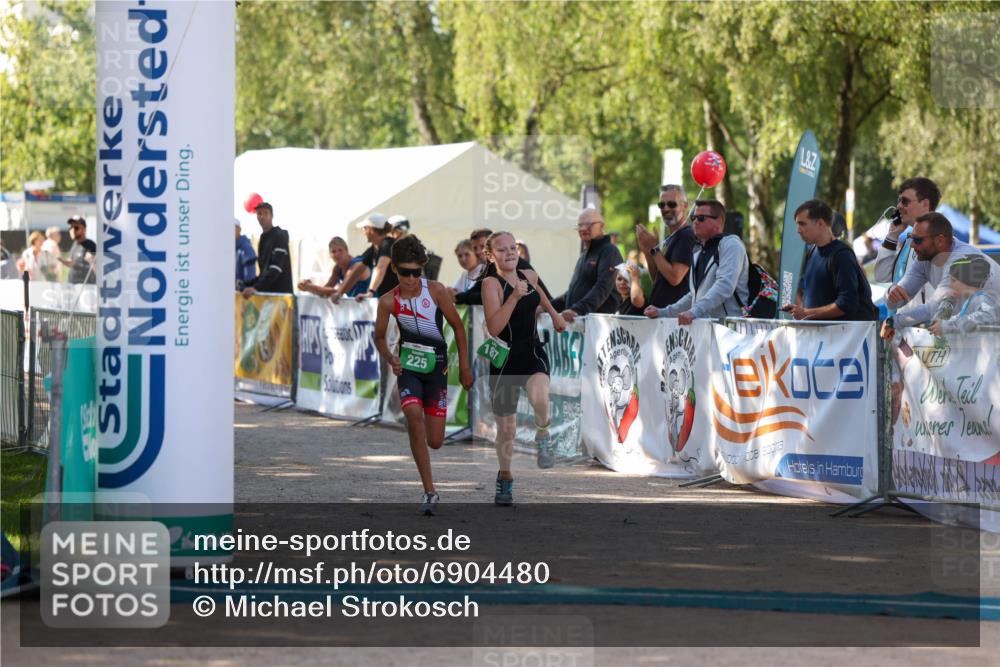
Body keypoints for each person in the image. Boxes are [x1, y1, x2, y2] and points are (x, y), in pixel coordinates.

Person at [373, 235, 473, 515]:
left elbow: (458, 328)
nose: (411, 279)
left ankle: (428, 464)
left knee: (436, 441)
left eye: (417, 272)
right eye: (405, 272)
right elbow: (378, 337)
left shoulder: (436, 291)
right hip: (408, 368)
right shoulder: (388, 301)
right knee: (413, 415)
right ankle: (430, 491)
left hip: (437, 368)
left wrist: (465, 368)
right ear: (394, 269)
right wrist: (391, 357)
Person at [481, 231, 567, 503]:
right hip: (504, 358)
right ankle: (505, 477)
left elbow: (539, 293)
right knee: (506, 430)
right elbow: (495, 327)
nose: (509, 253)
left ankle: (543, 434)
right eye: (502, 249)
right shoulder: (490, 284)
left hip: (531, 350)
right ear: (490, 256)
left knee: (540, 396)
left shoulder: (528, 275)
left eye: (512, 248)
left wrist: (554, 314)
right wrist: (514, 298)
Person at [880, 212, 995, 339]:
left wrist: (893, 322)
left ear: (940, 240)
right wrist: (891, 294)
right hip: (979, 338)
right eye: (911, 238)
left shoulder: (962, 259)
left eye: (917, 240)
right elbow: (895, 302)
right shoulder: (924, 258)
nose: (912, 245)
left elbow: (934, 309)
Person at [644, 199, 748, 324]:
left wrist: (694, 312)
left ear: (719, 221)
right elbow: (694, 295)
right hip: (705, 329)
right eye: (693, 218)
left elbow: (725, 286)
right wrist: (663, 312)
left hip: (729, 330)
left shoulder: (731, 244)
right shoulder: (698, 250)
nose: (695, 222)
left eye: (701, 218)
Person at [785, 200, 877, 321]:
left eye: (802, 224)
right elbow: (810, 295)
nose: (798, 230)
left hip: (842, 332)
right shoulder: (812, 251)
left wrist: (806, 313)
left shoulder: (842, 255)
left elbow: (847, 303)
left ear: (820, 223)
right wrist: (800, 309)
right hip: (817, 332)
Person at [551, 208, 624, 322]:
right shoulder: (584, 254)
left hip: (599, 326)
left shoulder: (610, 251)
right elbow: (572, 293)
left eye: (589, 224)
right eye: (580, 225)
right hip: (579, 325)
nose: (583, 229)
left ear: (602, 226)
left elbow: (603, 287)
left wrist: (577, 310)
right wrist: (548, 308)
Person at [636, 184, 696, 308]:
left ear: (685, 206)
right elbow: (657, 278)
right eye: (661, 205)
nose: (666, 208)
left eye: (672, 204)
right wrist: (648, 251)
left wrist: (653, 248)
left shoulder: (686, 235)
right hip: (661, 314)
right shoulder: (672, 237)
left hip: (675, 316)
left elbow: (674, 277)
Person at [874, 177, 941, 285]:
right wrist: (892, 236)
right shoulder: (910, 241)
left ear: (925, 205)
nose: (899, 206)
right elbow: (881, 275)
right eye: (899, 201)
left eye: (905, 201)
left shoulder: (938, 244)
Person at [927, 255, 1000, 336]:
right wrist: (947, 304)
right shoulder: (970, 301)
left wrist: (947, 326)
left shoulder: (982, 298)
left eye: (953, 280)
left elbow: (986, 316)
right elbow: (957, 319)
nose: (950, 285)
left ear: (967, 281)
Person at [241, 202, 293, 297]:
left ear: (272, 216)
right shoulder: (263, 239)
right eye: (259, 213)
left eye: (266, 213)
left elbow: (276, 268)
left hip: (281, 298)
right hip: (267, 298)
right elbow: (263, 274)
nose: (262, 216)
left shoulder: (279, 236)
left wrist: (256, 288)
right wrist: (245, 285)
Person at [346, 213, 398, 301]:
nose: (363, 232)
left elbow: (380, 268)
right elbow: (358, 270)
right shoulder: (375, 248)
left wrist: (370, 292)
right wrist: (340, 292)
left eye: (364, 228)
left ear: (371, 230)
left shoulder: (388, 244)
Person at [298, 236, 370, 299]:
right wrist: (308, 286)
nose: (337, 254)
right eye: (333, 251)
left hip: (369, 306)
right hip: (355, 306)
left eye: (340, 250)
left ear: (346, 251)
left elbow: (338, 292)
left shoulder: (356, 264)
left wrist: (310, 287)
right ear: (330, 255)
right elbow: (325, 290)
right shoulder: (338, 268)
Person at [60, 216, 96, 284]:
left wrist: (75, 265)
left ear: (84, 229)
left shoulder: (91, 245)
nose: (72, 230)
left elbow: (96, 270)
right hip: (71, 285)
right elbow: (72, 262)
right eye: (70, 228)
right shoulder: (74, 244)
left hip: (85, 286)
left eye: (76, 228)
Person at [235, 219, 257, 290]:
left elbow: (250, 279)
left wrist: (242, 286)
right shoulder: (231, 249)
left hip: (242, 294)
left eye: (233, 228)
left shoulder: (246, 248)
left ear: (239, 229)